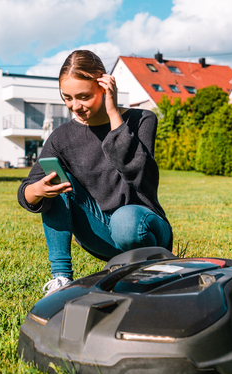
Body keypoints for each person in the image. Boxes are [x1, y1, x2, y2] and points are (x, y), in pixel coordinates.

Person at [17, 50, 173, 296]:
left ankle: (148, 268)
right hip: (100, 234)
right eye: (67, 98)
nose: (75, 106)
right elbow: (26, 191)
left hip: (144, 229)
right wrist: (37, 190)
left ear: (105, 85)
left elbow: (141, 177)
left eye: (84, 97)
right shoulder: (61, 138)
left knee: (125, 220)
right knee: (55, 182)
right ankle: (61, 279)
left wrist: (113, 115)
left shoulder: (142, 119)